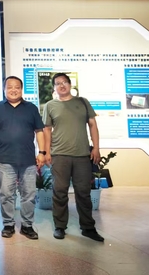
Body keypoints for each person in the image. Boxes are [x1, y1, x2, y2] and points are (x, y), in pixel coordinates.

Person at [42, 72, 104, 242]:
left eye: (64, 82)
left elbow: (93, 125)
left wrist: (96, 147)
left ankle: (88, 228)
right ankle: (60, 226)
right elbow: (47, 130)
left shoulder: (82, 102)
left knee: (83, 193)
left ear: (70, 85)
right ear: (54, 88)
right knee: (60, 192)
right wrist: (46, 152)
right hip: (59, 155)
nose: (61, 85)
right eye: (58, 83)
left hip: (82, 155)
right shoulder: (50, 105)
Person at [0, 76, 45, 240]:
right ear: (4, 89)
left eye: (17, 87)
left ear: (21, 89)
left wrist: (42, 152)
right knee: (6, 194)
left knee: (29, 194)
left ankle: (27, 226)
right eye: (10, 87)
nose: (13, 90)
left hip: (28, 160)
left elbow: (39, 131)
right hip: (5, 159)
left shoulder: (31, 108)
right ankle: (8, 224)